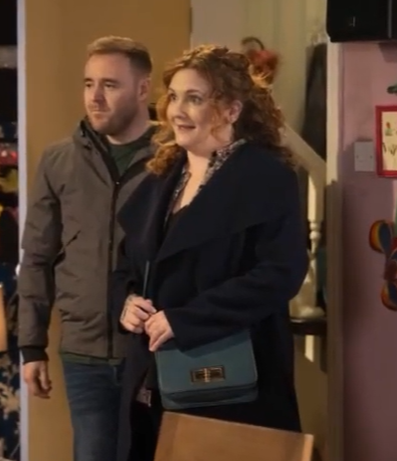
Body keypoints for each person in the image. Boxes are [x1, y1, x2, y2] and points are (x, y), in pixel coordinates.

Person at [113, 44, 309, 461]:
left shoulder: (268, 177)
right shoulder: (161, 176)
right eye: (174, 97)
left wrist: (187, 319)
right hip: (152, 383)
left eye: (195, 98)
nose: (177, 110)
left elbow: (281, 273)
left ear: (232, 110)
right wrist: (127, 302)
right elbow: (126, 264)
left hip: (229, 382)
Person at [17, 36, 155, 461]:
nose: (95, 97)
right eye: (89, 83)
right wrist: (32, 346)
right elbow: (36, 256)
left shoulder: (174, 159)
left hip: (153, 349)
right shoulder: (59, 160)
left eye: (110, 85)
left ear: (143, 90)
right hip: (84, 352)